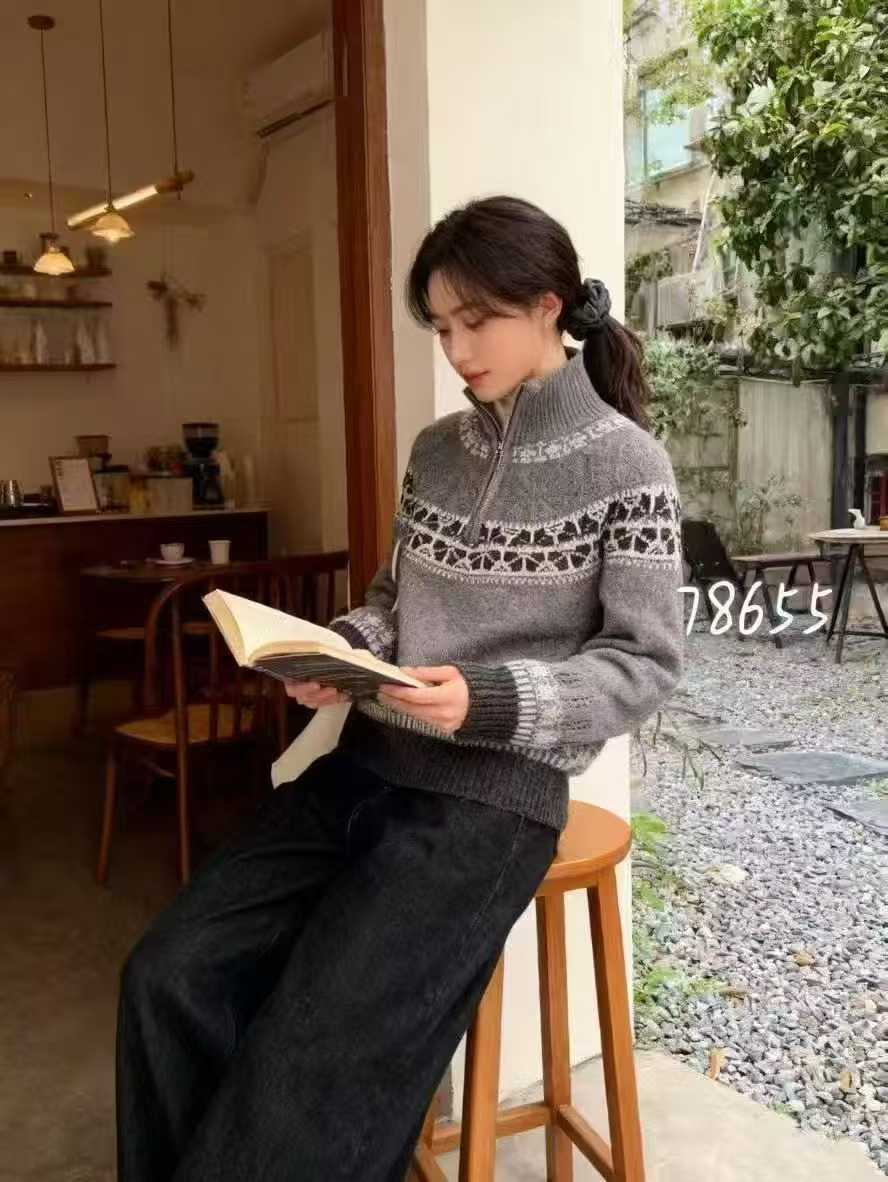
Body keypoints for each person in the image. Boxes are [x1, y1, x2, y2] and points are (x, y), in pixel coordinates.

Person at [116, 195, 686, 1181]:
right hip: (366, 766)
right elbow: (393, 600)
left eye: (475, 322)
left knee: (309, 1064)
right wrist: (336, 653)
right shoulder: (436, 452)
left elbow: (644, 665)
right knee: (167, 974)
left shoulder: (628, 466)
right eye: (440, 327)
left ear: (547, 307)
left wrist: (486, 699)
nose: (456, 352)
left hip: (491, 803)